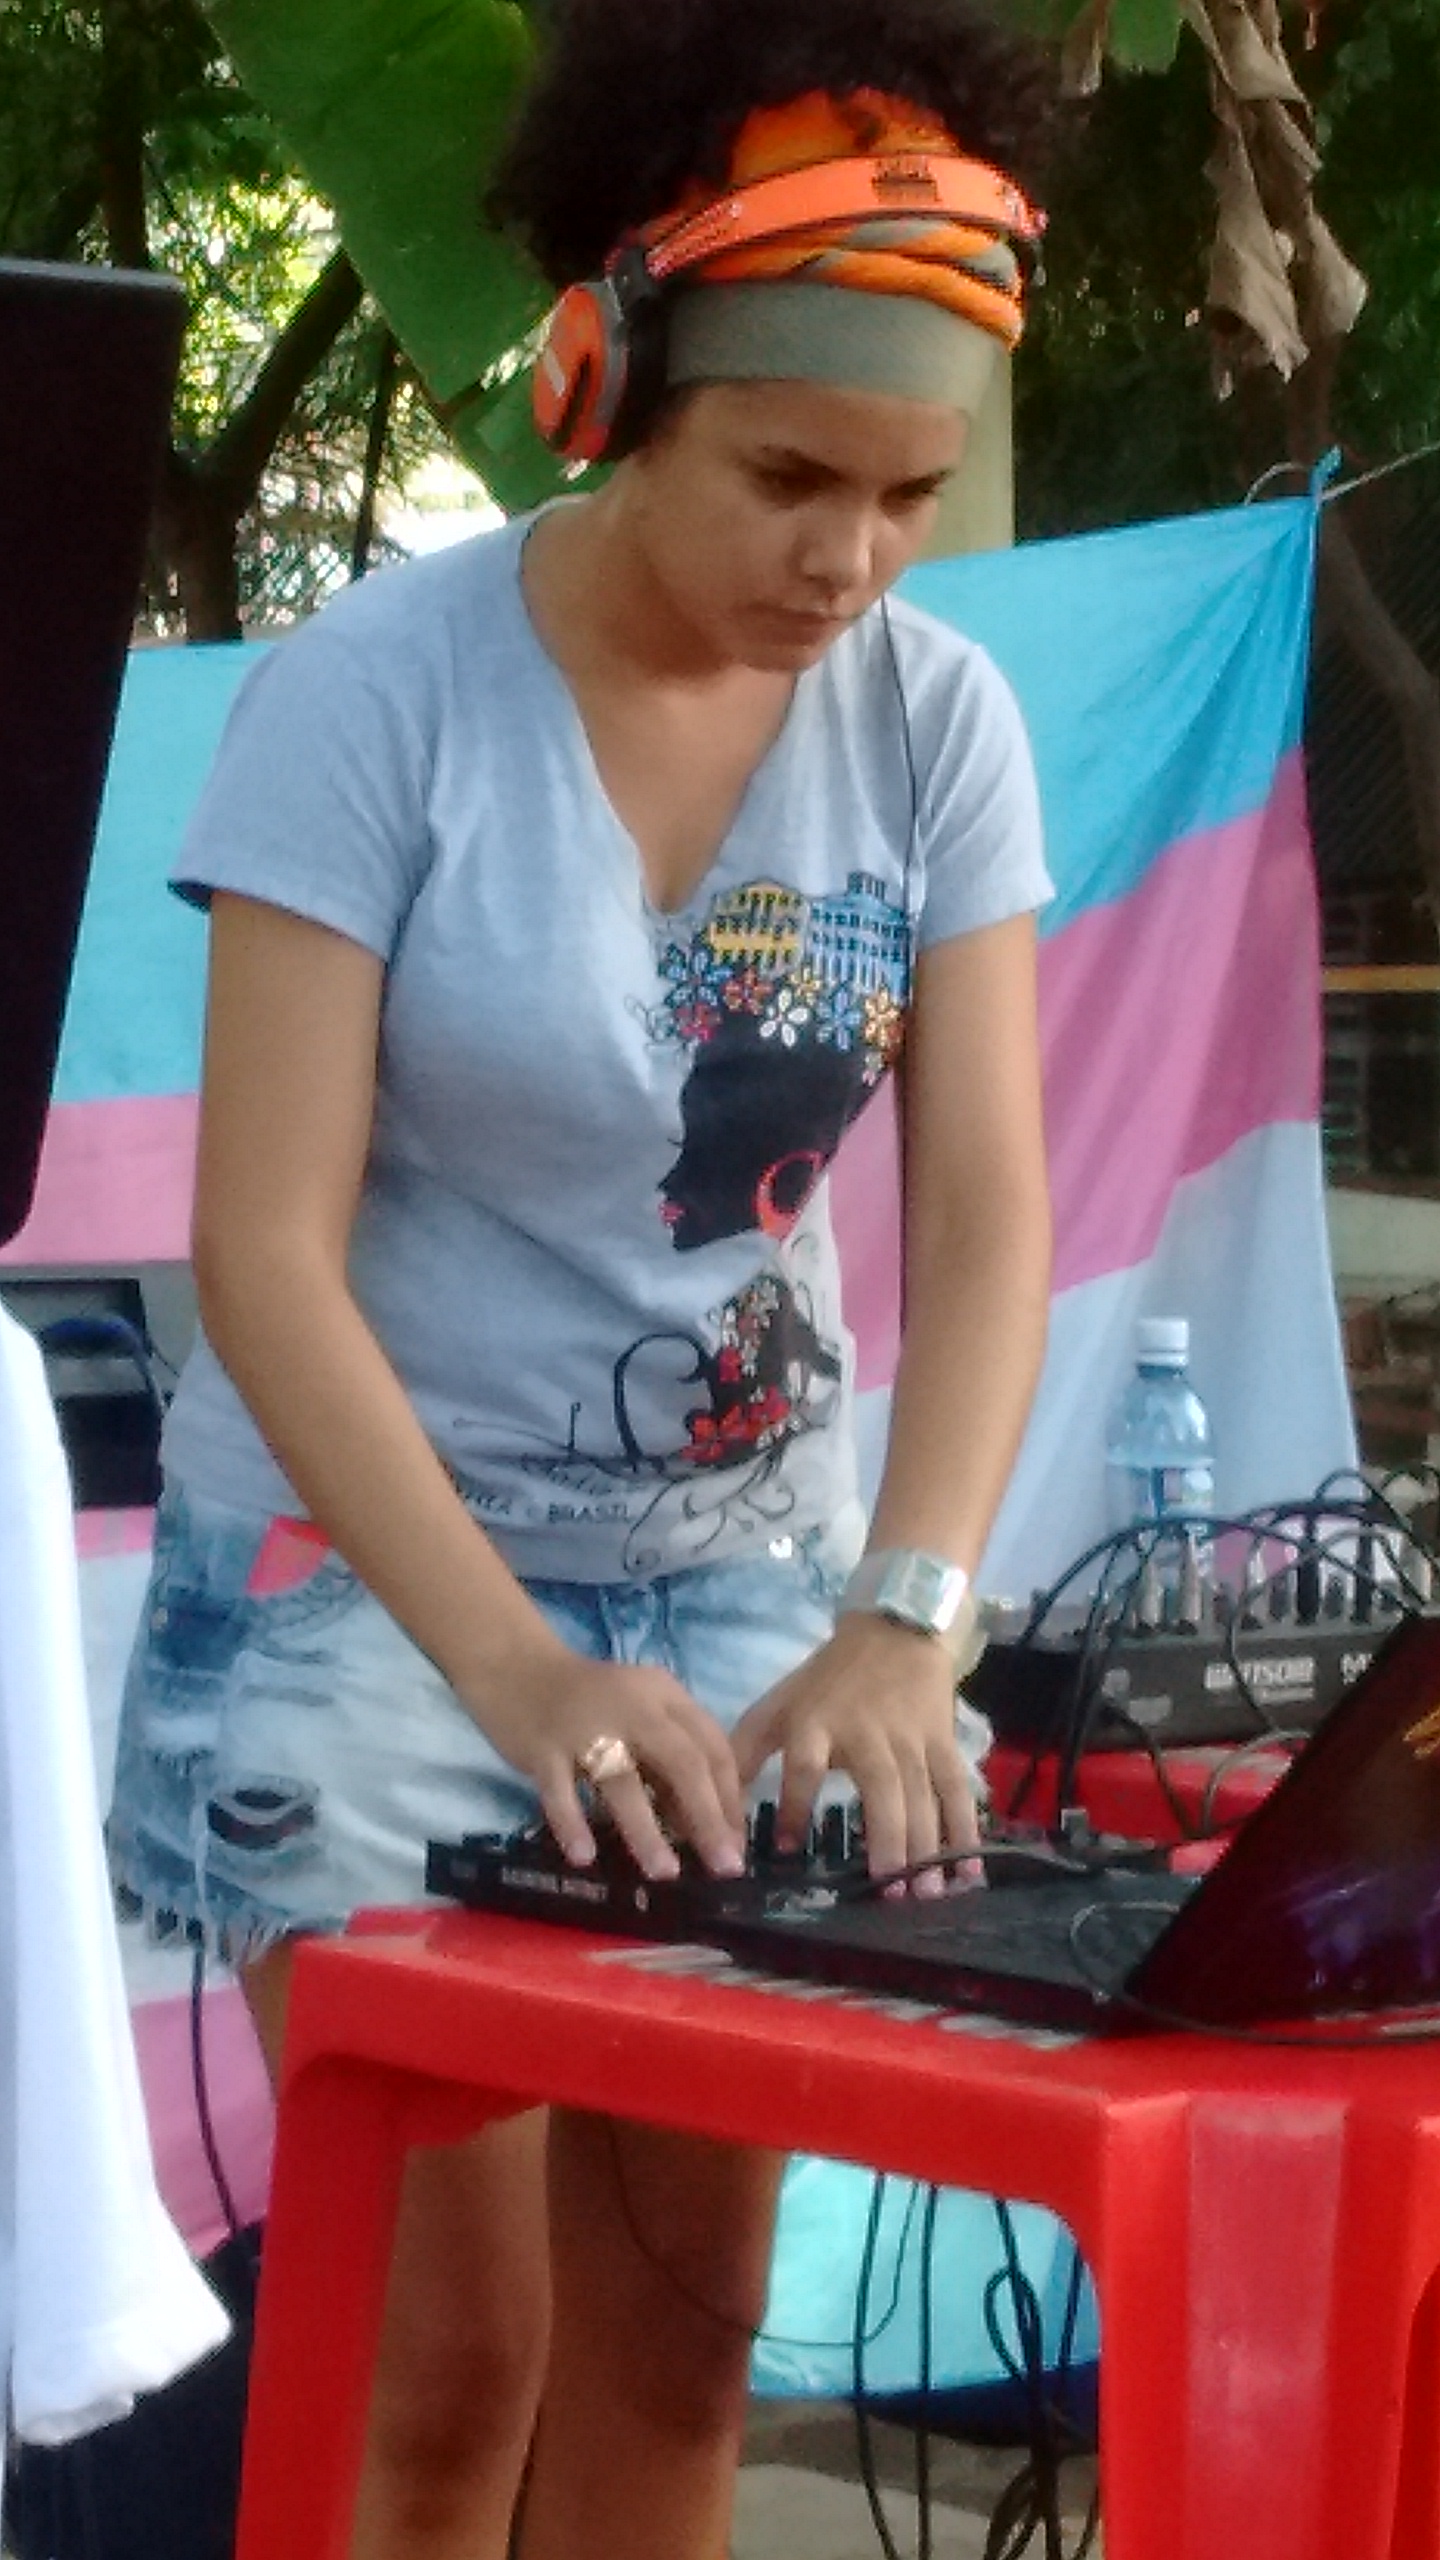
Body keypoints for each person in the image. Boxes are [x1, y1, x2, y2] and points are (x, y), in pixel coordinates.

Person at [107, 1, 1057, 2551]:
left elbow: (993, 1209)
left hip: (748, 1584)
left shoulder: (942, 722)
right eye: (788, 477)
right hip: (373, 1596)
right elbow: (260, 1252)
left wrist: (909, 1615)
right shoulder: (374, 696)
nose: (849, 559)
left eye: (907, 494)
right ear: (604, 380)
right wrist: (522, 1673)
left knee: (682, 2336)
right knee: (447, 2363)